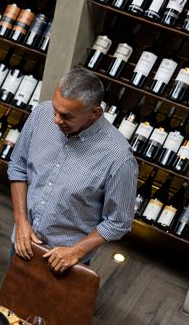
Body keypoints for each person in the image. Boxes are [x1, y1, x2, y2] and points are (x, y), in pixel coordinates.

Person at [9, 68, 138, 272]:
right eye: (55, 109)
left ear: (94, 113)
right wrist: (21, 220)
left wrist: (77, 251)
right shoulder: (41, 114)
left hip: (65, 263)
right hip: (21, 241)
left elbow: (118, 222)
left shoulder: (119, 158)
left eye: (66, 116)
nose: (55, 120)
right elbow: (18, 168)